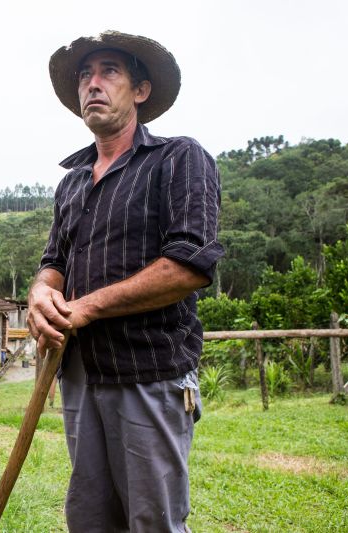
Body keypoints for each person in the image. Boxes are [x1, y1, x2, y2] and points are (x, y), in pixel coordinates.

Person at [27, 31, 224, 532]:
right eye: (84, 76)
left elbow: (187, 264)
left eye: (108, 71)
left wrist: (86, 307)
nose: (92, 84)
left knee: (152, 521)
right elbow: (55, 260)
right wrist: (40, 291)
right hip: (79, 373)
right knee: (91, 519)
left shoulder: (178, 158)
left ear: (140, 90)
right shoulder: (72, 182)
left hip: (149, 371)